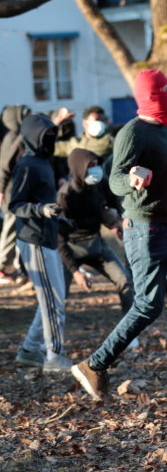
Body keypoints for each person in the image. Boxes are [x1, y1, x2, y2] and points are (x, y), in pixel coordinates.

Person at [71, 68, 167, 401]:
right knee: (149, 305)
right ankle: (94, 365)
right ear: (150, 97)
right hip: (144, 229)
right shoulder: (132, 133)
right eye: (164, 91)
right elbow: (114, 179)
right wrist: (132, 179)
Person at [10, 114, 73, 372]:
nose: (50, 141)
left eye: (52, 136)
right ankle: (53, 356)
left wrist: (59, 218)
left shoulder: (45, 163)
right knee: (52, 300)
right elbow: (16, 205)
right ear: (33, 137)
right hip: (33, 240)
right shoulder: (26, 165)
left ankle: (28, 350)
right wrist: (41, 210)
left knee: (52, 299)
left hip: (48, 237)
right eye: (45, 137)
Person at [56, 149, 133, 317]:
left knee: (125, 280)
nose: (95, 169)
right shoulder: (65, 196)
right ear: (78, 168)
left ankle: (129, 330)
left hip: (96, 243)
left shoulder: (100, 184)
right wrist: (75, 271)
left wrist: (117, 220)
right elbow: (59, 239)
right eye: (90, 166)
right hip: (70, 247)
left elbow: (115, 203)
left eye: (96, 164)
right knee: (57, 296)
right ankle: (49, 339)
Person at [0, 105, 31, 284]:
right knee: (11, 228)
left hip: (15, 190)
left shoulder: (12, 137)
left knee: (17, 229)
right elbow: (5, 167)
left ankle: (17, 265)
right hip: (12, 191)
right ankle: (3, 265)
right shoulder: (12, 138)